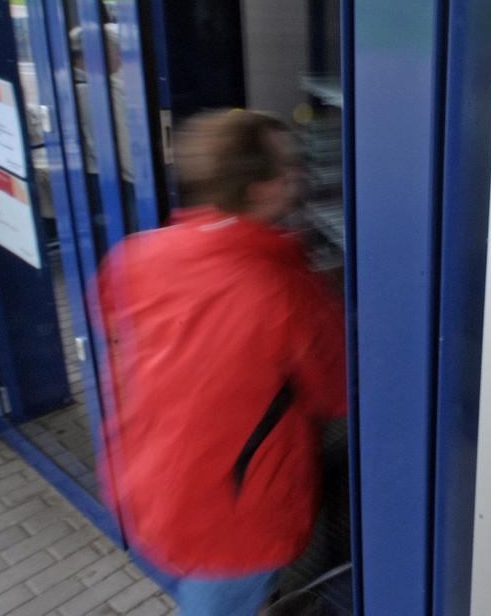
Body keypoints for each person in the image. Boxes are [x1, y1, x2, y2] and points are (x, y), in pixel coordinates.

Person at [96, 110, 347, 615]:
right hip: (231, 522)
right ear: (260, 189)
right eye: (288, 167)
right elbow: (335, 392)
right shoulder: (282, 287)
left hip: (148, 490)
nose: (297, 175)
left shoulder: (136, 255)